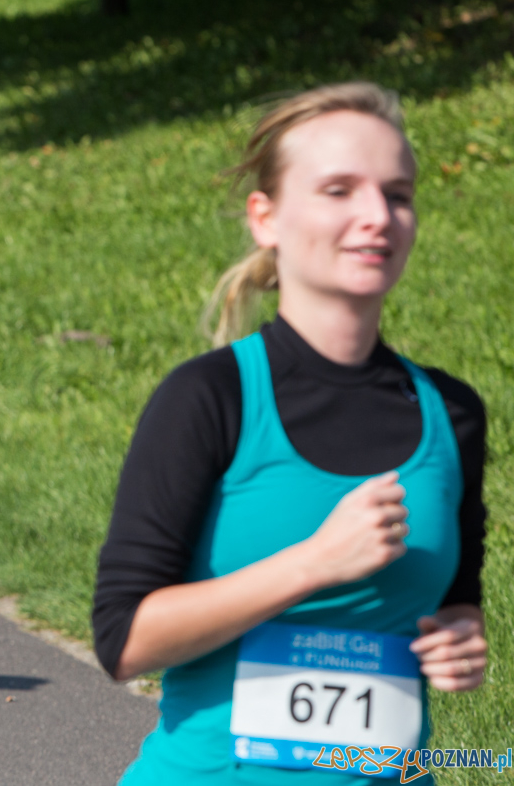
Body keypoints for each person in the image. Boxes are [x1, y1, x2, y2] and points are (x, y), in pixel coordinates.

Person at [93, 82, 487, 783]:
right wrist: (314, 561)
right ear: (264, 217)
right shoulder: (209, 397)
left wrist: (459, 638)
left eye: (398, 193)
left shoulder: (452, 413)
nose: (377, 215)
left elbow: (451, 603)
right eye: (339, 189)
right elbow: (124, 641)